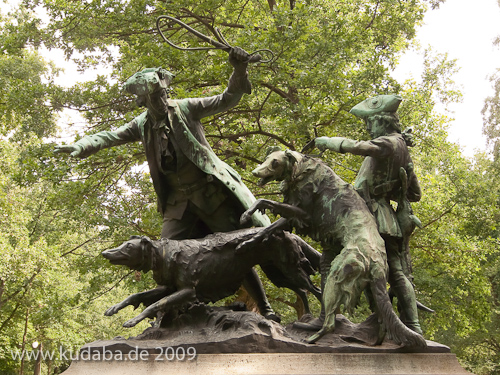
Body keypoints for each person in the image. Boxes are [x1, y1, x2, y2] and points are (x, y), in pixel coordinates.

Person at [55, 47, 278, 321]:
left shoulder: (186, 108)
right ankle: (168, 314)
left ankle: (265, 306)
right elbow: (111, 136)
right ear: (143, 101)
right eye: (154, 97)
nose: (161, 100)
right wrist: (82, 145)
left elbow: (227, 98)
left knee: (237, 250)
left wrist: (239, 69)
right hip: (177, 206)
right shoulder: (142, 124)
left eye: (162, 94)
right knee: (165, 258)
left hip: (210, 197)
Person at [312, 94, 423, 334]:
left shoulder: (389, 143)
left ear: (383, 121)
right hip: (384, 216)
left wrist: (328, 141)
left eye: (370, 122)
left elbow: (358, 147)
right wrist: (397, 182)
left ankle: (326, 318)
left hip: (367, 214)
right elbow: (415, 194)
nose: (368, 127)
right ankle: (405, 325)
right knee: (394, 271)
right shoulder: (403, 150)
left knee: (331, 258)